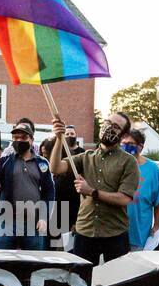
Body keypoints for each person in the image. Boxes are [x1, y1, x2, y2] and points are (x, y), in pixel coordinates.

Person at [49, 112, 139, 265]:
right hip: (85, 231)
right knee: (82, 282)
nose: (109, 127)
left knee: (116, 283)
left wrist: (91, 191)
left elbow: (124, 198)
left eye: (115, 127)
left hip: (115, 233)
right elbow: (56, 168)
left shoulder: (128, 161)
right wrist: (59, 139)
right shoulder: (85, 157)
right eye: (108, 122)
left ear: (123, 135)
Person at [0, 121, 55, 251]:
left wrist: (44, 218)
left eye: (23, 137)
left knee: (33, 264)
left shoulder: (42, 163)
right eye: (16, 137)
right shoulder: (5, 160)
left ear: (31, 139)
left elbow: (49, 192)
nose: (19, 140)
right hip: (6, 222)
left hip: (33, 224)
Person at [123, 129, 159, 251]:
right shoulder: (117, 164)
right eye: (123, 143)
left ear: (140, 147)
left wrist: (156, 225)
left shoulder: (152, 169)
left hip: (139, 233)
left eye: (129, 144)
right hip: (115, 233)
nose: (125, 146)